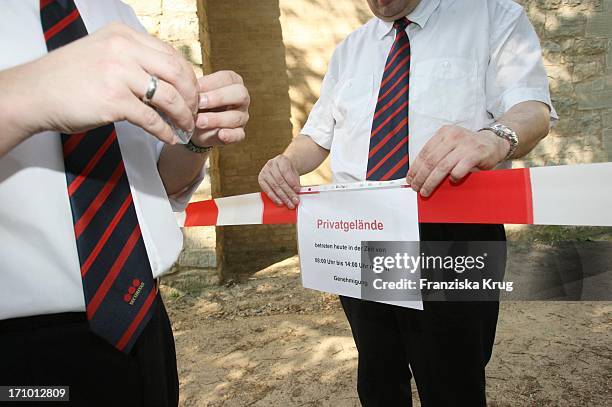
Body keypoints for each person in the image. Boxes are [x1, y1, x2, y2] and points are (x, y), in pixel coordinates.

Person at [259, 0, 555, 405]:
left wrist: (493, 137)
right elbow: (317, 135)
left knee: (454, 380)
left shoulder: (492, 15)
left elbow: (533, 109)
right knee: (379, 373)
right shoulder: (351, 48)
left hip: (453, 234)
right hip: (359, 235)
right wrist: (288, 161)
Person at [0, 0, 249, 405]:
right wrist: (30, 93)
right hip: (20, 354)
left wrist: (195, 139)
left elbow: (158, 181)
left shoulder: (115, 12)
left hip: (141, 318)